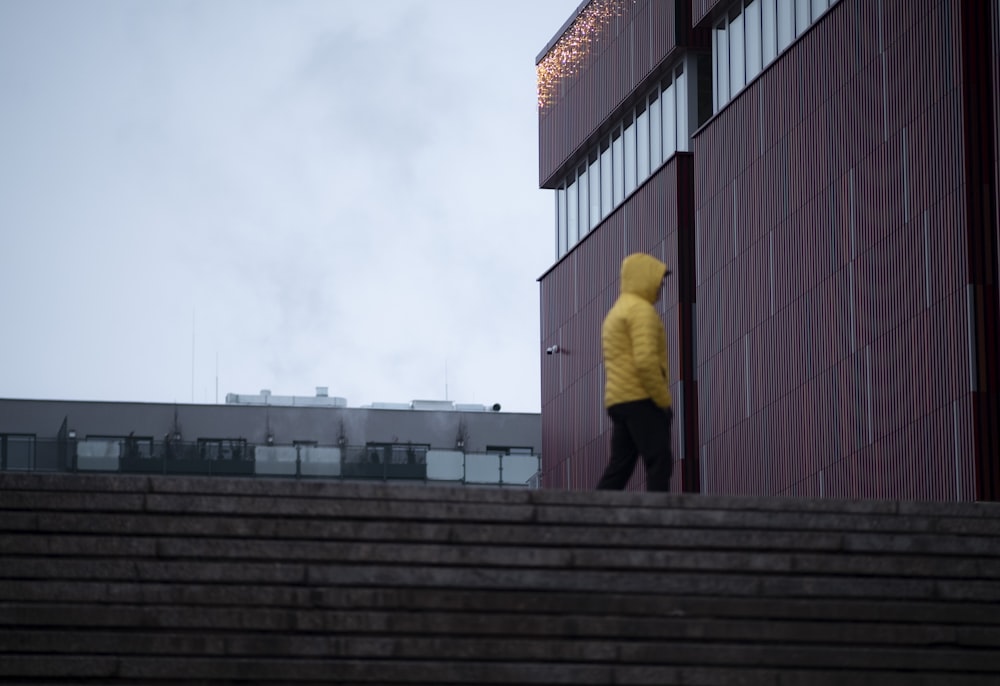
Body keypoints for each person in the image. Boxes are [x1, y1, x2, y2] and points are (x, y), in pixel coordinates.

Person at [596, 252, 674, 492]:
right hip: (641, 397)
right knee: (659, 460)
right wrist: (662, 401)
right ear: (644, 278)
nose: (662, 284)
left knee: (620, 465)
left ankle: (592, 512)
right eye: (659, 278)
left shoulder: (615, 312)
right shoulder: (641, 311)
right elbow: (646, 361)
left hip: (618, 400)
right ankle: (657, 519)